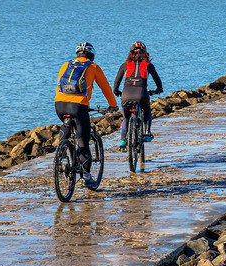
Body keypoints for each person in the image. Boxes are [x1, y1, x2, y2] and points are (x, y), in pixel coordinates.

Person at [55, 42, 117, 186]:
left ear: (77, 54)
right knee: (83, 141)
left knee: (66, 124)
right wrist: (113, 105)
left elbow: (59, 85)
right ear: (91, 55)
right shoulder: (93, 67)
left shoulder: (66, 65)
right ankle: (87, 177)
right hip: (78, 106)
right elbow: (105, 88)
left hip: (60, 105)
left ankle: (61, 150)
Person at [113, 41, 163, 148]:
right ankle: (147, 132)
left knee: (126, 118)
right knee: (147, 109)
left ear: (131, 53)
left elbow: (116, 82)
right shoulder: (148, 65)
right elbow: (158, 81)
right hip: (141, 93)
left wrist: (116, 91)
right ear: (145, 53)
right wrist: (159, 90)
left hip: (126, 94)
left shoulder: (124, 65)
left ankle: (123, 140)